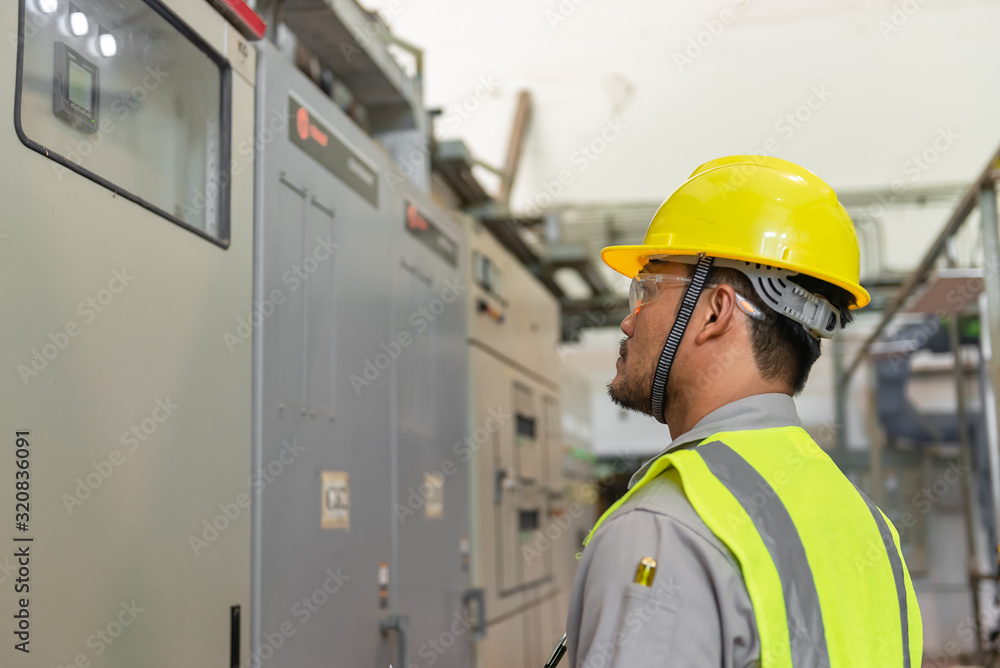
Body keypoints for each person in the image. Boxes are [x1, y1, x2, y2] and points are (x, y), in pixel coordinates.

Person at [565, 155, 922, 667]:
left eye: (647, 289)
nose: (628, 321)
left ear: (715, 310)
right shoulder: (870, 527)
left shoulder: (662, 529)